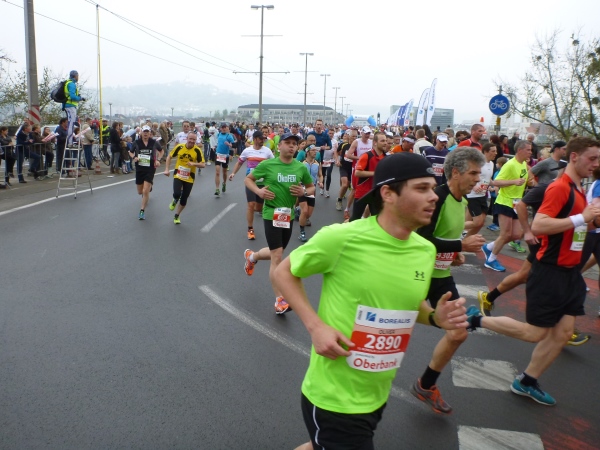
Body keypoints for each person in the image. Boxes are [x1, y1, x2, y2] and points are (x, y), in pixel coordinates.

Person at [274, 153, 469, 450]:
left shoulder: (424, 250)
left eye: (433, 187)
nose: (433, 196)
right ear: (388, 193)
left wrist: (434, 317)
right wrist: (316, 327)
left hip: (376, 393)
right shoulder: (342, 238)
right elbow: (283, 273)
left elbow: (406, 303)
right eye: (421, 188)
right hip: (334, 397)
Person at [467, 137, 600, 406]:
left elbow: (578, 226)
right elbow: (540, 225)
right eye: (592, 158)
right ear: (574, 157)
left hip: (570, 273)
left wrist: (591, 221)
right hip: (551, 271)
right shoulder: (560, 187)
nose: (596, 164)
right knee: (535, 333)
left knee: (563, 333)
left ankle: (526, 381)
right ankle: (475, 320)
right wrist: (582, 218)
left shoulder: (579, 189)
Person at [412, 148, 486, 414]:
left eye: (479, 173)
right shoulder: (439, 197)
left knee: (458, 332)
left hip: (440, 277)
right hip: (415, 274)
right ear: (455, 172)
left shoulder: (462, 201)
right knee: (388, 326)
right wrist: (460, 245)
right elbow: (421, 239)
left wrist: (453, 254)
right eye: (473, 173)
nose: (477, 179)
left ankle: (425, 384)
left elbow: (442, 240)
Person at [243, 132, 314, 315]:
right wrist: (259, 192)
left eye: (294, 144)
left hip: (287, 214)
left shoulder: (300, 167)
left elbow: (311, 186)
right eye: (287, 143)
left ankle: (252, 257)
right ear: (279, 146)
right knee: (277, 256)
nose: (291, 146)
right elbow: (248, 179)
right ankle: (279, 300)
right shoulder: (268, 165)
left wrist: (304, 192)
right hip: (271, 212)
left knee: (277, 251)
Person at [482, 140, 533, 271]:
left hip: (516, 203)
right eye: (528, 150)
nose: (531, 152)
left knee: (516, 235)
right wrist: (514, 181)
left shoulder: (524, 164)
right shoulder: (510, 164)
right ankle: (491, 260)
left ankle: (488, 247)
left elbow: (526, 181)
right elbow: (496, 182)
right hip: (504, 201)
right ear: (520, 150)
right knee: (505, 234)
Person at [228, 130, 274, 240]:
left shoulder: (267, 151)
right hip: (250, 182)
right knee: (251, 205)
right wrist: (233, 173)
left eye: (264, 139)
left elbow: (274, 164)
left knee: (258, 208)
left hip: (263, 183)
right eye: (261, 139)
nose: (263, 141)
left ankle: (253, 212)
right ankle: (250, 228)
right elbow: (239, 162)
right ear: (255, 139)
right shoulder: (247, 151)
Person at [163, 131, 205, 224]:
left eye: (194, 139)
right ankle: (175, 200)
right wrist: (166, 169)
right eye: (190, 139)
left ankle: (177, 215)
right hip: (178, 174)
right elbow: (169, 157)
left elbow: (203, 164)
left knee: (184, 199)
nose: (192, 141)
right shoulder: (180, 147)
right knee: (177, 193)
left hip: (189, 177)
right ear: (187, 139)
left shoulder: (197, 150)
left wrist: (194, 164)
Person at [350, 132, 387, 221]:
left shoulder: (386, 157)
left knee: (376, 219)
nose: (385, 143)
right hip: (362, 192)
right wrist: (375, 173)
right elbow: (357, 173)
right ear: (375, 143)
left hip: (376, 192)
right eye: (382, 141)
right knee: (355, 218)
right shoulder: (367, 155)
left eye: (385, 141)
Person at [129, 125, 163, 220]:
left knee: (145, 191)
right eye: (144, 131)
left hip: (150, 168)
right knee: (140, 192)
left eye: (147, 132)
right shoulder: (136, 142)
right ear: (141, 133)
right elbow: (130, 152)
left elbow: (161, 151)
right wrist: (134, 157)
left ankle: (142, 211)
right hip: (140, 168)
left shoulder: (154, 142)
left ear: (150, 133)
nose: (145, 133)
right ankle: (148, 188)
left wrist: (158, 160)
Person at [465, 143, 497, 237]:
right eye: (493, 151)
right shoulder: (478, 163)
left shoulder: (491, 164)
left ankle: (465, 238)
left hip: (483, 194)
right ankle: (454, 227)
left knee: (480, 222)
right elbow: (467, 175)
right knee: (477, 222)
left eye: (496, 151)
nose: (495, 153)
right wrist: (474, 186)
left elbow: (488, 179)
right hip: (472, 194)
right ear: (485, 152)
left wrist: (492, 186)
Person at [298, 145, 323, 242]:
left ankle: (298, 211)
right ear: (307, 152)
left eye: (316, 150)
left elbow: (320, 175)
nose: (315, 152)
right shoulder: (301, 163)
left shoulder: (317, 163)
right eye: (313, 150)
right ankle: (302, 232)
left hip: (312, 190)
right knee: (304, 211)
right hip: (302, 188)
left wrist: (321, 182)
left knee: (308, 214)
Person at [334, 129, 355, 212]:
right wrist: (337, 160)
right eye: (353, 136)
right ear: (349, 136)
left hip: (352, 168)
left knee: (347, 185)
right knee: (345, 184)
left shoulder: (357, 145)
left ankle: (342, 195)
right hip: (343, 166)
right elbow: (336, 151)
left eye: (356, 136)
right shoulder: (343, 144)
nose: (354, 138)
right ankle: (339, 200)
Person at [62, 70, 85, 148]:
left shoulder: (68, 83)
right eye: (77, 76)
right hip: (70, 105)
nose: (78, 77)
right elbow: (72, 96)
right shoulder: (71, 84)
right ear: (75, 76)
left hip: (68, 105)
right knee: (71, 124)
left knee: (71, 123)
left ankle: (70, 141)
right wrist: (80, 98)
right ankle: (70, 142)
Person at [214, 123, 234, 196]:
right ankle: (217, 189)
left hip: (225, 156)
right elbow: (217, 142)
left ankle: (224, 183)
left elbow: (233, 145)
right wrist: (214, 146)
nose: (224, 129)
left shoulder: (229, 136)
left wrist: (229, 145)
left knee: (224, 172)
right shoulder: (218, 134)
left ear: (227, 128)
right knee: (217, 172)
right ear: (220, 128)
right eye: (222, 127)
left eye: (225, 127)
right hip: (218, 155)